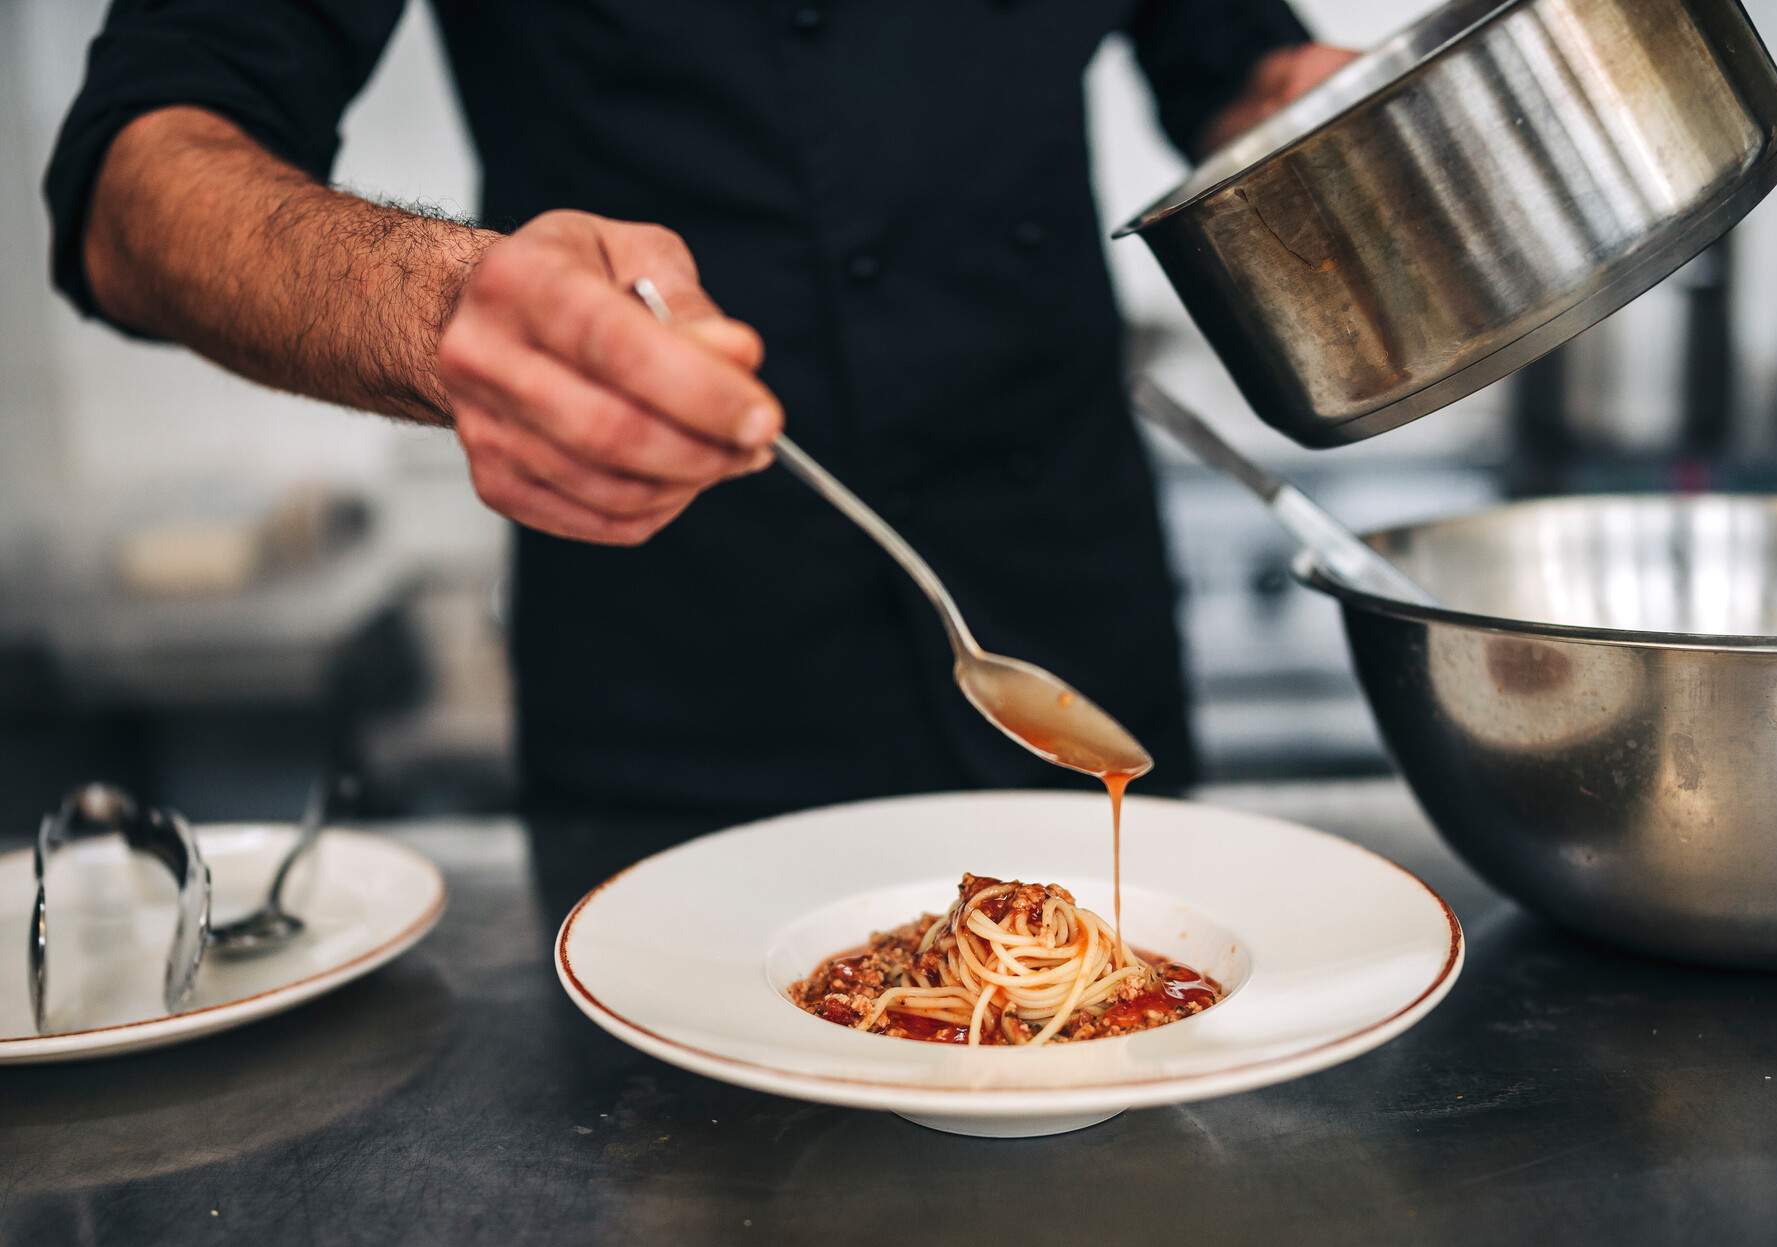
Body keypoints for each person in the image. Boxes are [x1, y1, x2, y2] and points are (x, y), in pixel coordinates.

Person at [45, 2, 1353, 824]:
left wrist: (1322, 109)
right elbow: (133, 184)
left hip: (1070, 635)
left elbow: (1222, 55)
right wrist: (446, 311)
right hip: (679, 694)